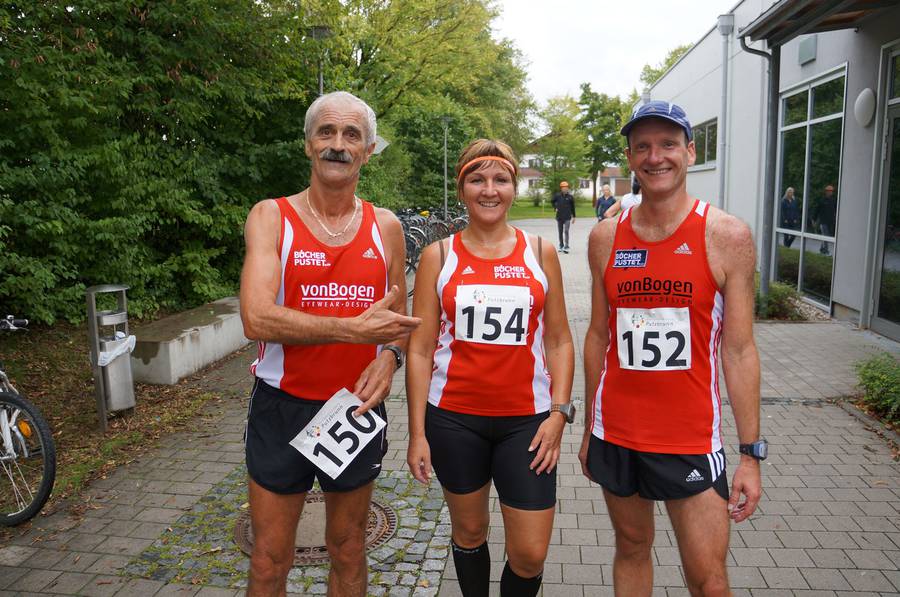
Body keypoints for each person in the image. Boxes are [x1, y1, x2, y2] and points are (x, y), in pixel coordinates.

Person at [239, 90, 421, 597]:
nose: (337, 144)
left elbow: (397, 319)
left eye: (351, 135)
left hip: (353, 410)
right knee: (270, 559)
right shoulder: (271, 216)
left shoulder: (386, 226)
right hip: (282, 406)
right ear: (308, 145)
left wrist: (390, 357)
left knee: (348, 548)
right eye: (326, 132)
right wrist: (352, 330)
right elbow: (255, 317)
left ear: (368, 150)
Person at [580, 100, 764, 596]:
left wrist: (750, 455)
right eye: (642, 147)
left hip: (689, 439)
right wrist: (590, 428)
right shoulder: (604, 238)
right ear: (630, 157)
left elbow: (740, 351)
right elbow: (598, 336)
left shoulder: (726, 236)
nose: (655, 156)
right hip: (617, 432)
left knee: (708, 578)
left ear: (690, 151)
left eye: (667, 144)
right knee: (631, 548)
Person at [406, 139, 575, 597]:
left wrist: (560, 412)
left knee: (530, 553)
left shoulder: (539, 252)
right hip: (454, 420)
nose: (489, 190)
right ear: (462, 188)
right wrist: (417, 433)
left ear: (513, 188)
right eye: (477, 179)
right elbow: (420, 349)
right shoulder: (438, 256)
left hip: (528, 423)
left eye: (500, 179)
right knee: (469, 533)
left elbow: (559, 339)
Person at [551, 180, 576, 252]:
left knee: (566, 231)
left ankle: (566, 245)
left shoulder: (570, 197)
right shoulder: (557, 196)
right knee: (560, 232)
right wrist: (555, 207)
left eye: (566, 187)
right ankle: (561, 245)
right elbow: (552, 201)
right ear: (561, 188)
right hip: (559, 217)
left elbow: (573, 207)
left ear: (568, 188)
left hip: (567, 217)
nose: (565, 188)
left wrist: (574, 217)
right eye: (563, 187)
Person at [812, 184, 837, 255]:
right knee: (825, 236)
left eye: (831, 191)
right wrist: (813, 219)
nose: (830, 192)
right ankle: (826, 251)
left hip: (831, 222)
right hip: (823, 222)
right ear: (826, 192)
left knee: (825, 236)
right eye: (829, 191)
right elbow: (816, 210)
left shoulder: (833, 201)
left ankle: (822, 249)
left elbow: (835, 210)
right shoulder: (822, 201)